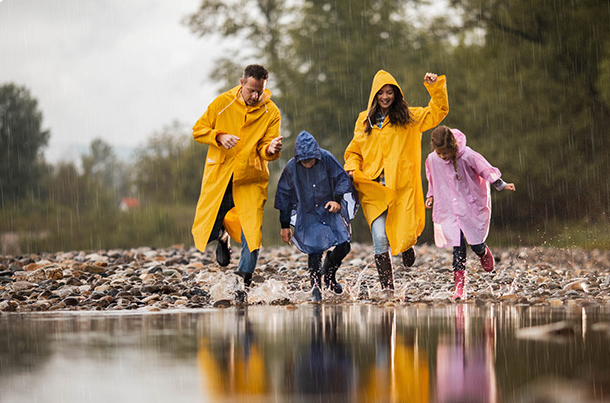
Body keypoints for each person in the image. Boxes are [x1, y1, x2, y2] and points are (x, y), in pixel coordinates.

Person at [344, 70, 449, 292]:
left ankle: (407, 245)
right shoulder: (364, 120)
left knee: (406, 230)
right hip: (374, 189)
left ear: (396, 94)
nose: (385, 97)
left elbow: (437, 111)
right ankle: (388, 290)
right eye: (381, 93)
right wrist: (352, 168)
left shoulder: (409, 118)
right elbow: (354, 152)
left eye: (389, 92)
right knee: (380, 238)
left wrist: (435, 87)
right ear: (374, 95)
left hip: (401, 186)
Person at [191, 64, 283, 302]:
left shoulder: (271, 112)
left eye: (259, 91)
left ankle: (243, 283)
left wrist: (271, 149)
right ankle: (222, 235)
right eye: (251, 90)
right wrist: (219, 136)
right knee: (207, 227)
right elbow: (198, 130)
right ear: (242, 83)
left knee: (252, 235)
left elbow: (266, 148)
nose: (255, 96)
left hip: (251, 179)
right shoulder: (222, 103)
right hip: (221, 176)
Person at [425, 126, 515, 300]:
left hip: (469, 204)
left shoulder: (467, 155)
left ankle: (482, 251)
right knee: (457, 246)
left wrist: (501, 184)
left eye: (445, 153)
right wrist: (431, 196)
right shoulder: (432, 159)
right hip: (449, 207)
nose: (443, 157)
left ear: (451, 145)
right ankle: (459, 286)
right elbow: (432, 179)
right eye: (439, 153)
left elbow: (485, 169)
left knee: (475, 242)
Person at [275, 130, 358, 301]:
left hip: (330, 209)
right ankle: (315, 287)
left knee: (344, 245)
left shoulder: (326, 158)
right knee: (313, 250)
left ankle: (329, 273)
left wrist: (336, 200)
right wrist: (284, 225)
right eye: (304, 161)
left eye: (310, 160)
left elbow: (341, 179)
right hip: (309, 213)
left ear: (316, 155)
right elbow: (284, 195)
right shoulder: (291, 167)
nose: (307, 164)